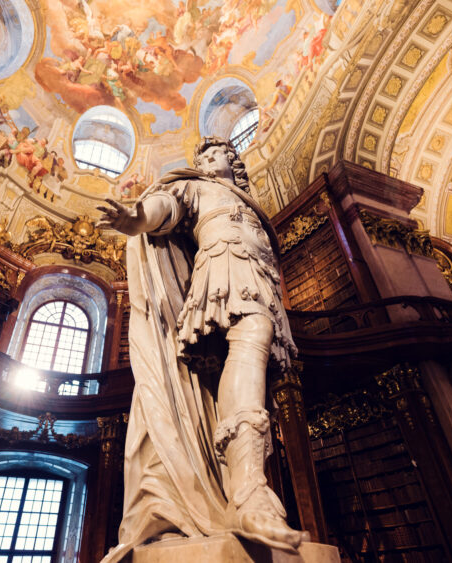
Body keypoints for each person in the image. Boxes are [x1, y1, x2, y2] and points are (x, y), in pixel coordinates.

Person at [97, 137, 307, 561]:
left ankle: (242, 488)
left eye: (215, 155)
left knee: (244, 369)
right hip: (221, 275)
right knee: (250, 342)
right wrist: (137, 217)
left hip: (260, 281)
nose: (205, 161)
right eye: (202, 156)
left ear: (234, 162)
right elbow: (168, 207)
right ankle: (249, 491)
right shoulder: (196, 185)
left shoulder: (250, 204)